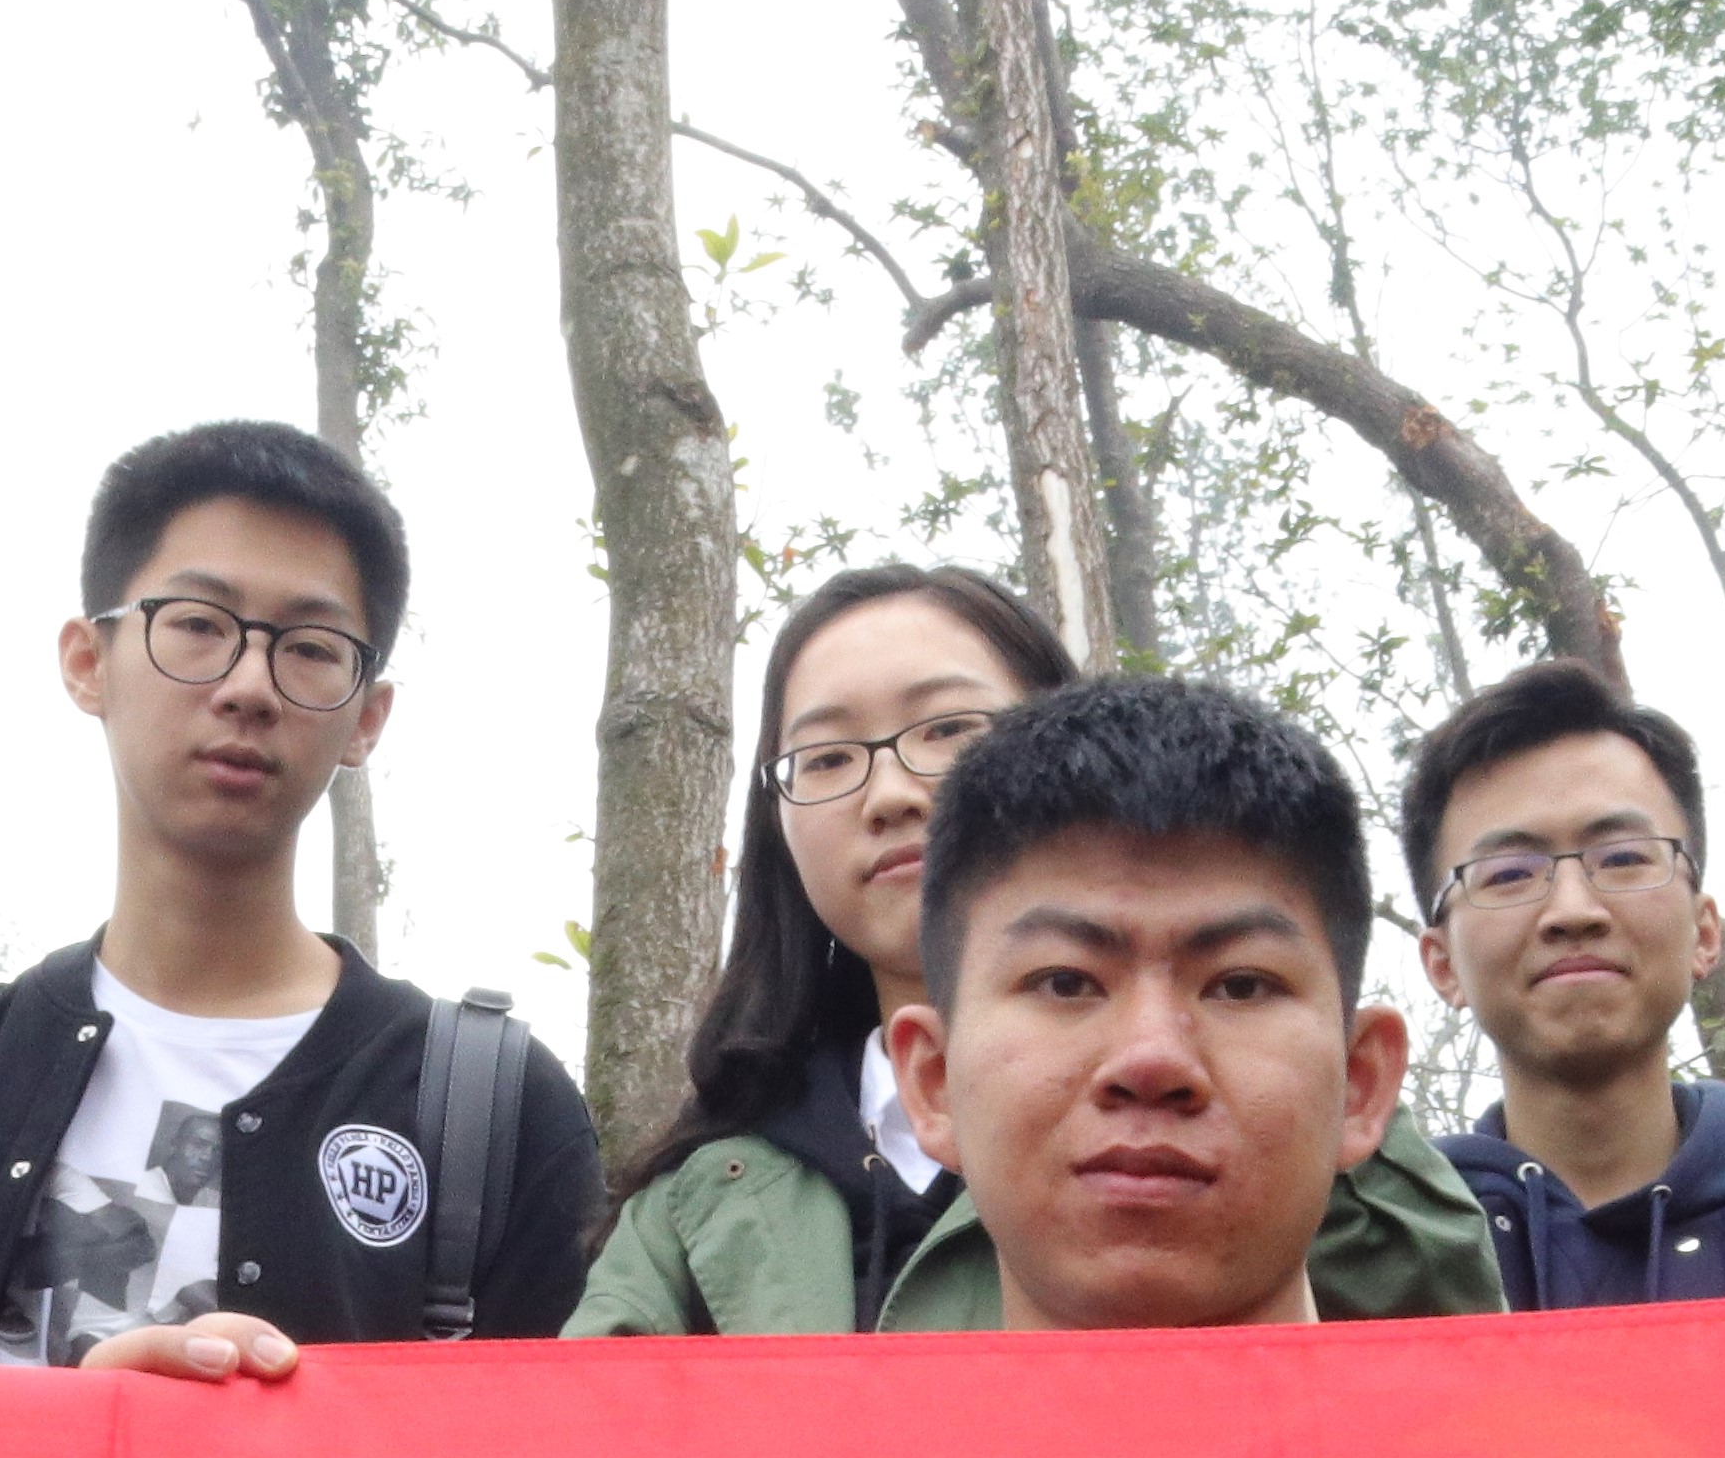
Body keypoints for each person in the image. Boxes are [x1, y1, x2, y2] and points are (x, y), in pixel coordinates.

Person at [572, 562, 1498, 1334]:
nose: (889, 794)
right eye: (826, 758)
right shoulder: (701, 1200)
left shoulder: (1314, 1135)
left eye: (947, 731)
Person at [0, 420, 599, 1365]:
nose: (249, 685)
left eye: (311, 647)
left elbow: (559, 1445)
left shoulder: (493, 1111)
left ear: (367, 717)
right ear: (88, 662)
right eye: (197, 625)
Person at [881, 673, 1414, 1336]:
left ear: (1361, 1083)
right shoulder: (786, 1410)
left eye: (1240, 985)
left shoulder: (1527, 1406)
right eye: (1065, 982)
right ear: (932, 1082)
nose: (1152, 1058)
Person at [1394, 659, 1725, 1303]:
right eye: (1510, 873)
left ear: (1704, 933)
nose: (1574, 910)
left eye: (1624, 858)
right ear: (1442, 964)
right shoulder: (1390, 1262)